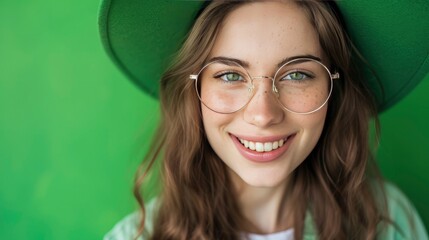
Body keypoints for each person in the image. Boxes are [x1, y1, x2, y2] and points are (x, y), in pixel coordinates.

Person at [99, 1, 429, 239]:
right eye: (230, 75)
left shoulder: (388, 222)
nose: (263, 114)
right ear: (196, 89)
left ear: (333, 86)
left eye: (297, 74)